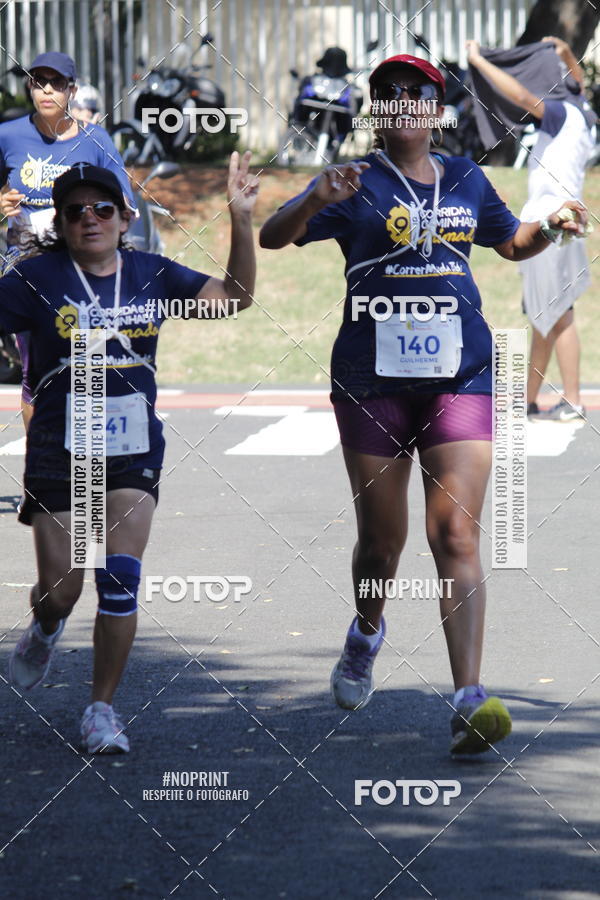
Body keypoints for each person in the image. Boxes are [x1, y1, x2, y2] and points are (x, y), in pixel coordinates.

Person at [260, 54, 587, 754]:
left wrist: (553, 223)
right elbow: (273, 235)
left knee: (457, 536)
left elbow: (510, 244)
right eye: (389, 93)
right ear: (376, 109)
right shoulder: (352, 181)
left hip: (460, 375)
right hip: (371, 380)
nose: (404, 100)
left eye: (418, 91)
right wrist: (315, 198)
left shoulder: (468, 179)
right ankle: (367, 631)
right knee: (383, 543)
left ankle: (469, 697)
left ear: (438, 107)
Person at [3, 154, 259, 753]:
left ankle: (101, 710)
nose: (88, 219)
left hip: (131, 451)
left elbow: (235, 296)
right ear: (62, 226)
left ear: (124, 218)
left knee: (119, 577)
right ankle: (44, 625)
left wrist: (241, 221)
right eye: (74, 212)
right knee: (63, 589)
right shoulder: (36, 280)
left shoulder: (151, 273)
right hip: (59, 449)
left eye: (101, 209)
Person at [0, 52, 135, 430]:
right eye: (37, 81)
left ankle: (87, 466)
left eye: (55, 82)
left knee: (87, 373)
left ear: (71, 90)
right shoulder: (7, 136)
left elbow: (125, 205)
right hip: (28, 269)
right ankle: (43, 472)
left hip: (84, 273)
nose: (45, 90)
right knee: (36, 375)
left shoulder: (96, 141)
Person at [467, 37, 595, 422]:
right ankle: (528, 399)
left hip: (551, 217)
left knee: (560, 313)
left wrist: (478, 61)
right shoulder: (583, 112)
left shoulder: (560, 114)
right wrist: (565, 51)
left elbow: (522, 97)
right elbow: (579, 82)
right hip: (565, 215)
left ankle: (572, 399)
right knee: (545, 310)